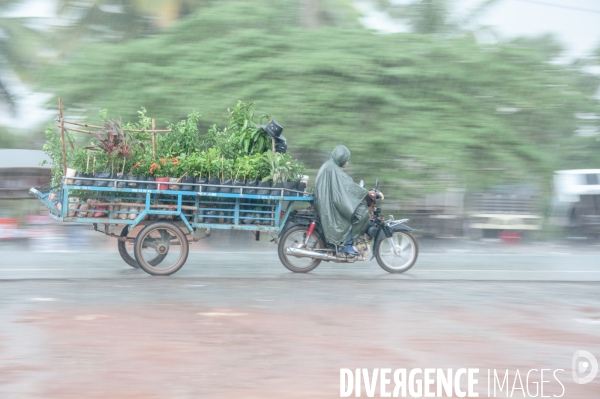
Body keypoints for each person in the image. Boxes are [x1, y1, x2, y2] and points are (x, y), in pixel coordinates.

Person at [314, 145, 371, 255]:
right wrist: (363, 192)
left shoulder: (331, 165)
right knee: (354, 214)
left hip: (326, 201)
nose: (347, 162)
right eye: (346, 159)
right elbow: (347, 185)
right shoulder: (333, 168)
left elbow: (343, 186)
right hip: (328, 203)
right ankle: (347, 245)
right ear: (342, 158)